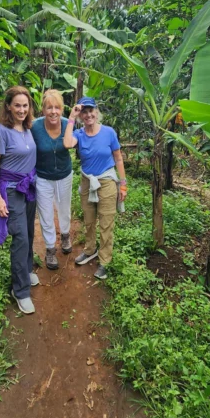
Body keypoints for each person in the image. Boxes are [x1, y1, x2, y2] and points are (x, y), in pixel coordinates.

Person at [63, 97, 127, 280]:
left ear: (97, 112)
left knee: (106, 223)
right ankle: (90, 250)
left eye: (91, 111)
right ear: (81, 115)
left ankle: (105, 261)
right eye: (85, 111)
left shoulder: (109, 132)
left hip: (106, 181)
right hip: (87, 181)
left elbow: (118, 158)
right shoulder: (79, 134)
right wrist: (71, 117)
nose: (89, 114)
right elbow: (67, 144)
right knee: (89, 221)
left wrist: (123, 184)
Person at [0, 86, 37, 315]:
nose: (21, 109)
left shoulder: (27, 128)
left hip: (28, 188)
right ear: (8, 106)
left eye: (25, 105)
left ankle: (27, 270)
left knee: (29, 232)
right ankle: (21, 291)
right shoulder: (1, 130)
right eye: (17, 105)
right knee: (21, 238)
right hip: (10, 190)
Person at [31, 89, 73, 270]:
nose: (53, 111)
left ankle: (65, 235)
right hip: (43, 177)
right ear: (43, 110)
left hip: (64, 175)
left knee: (64, 208)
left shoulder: (68, 125)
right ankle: (49, 249)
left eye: (57, 107)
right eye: (49, 108)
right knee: (46, 214)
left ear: (62, 109)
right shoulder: (35, 127)